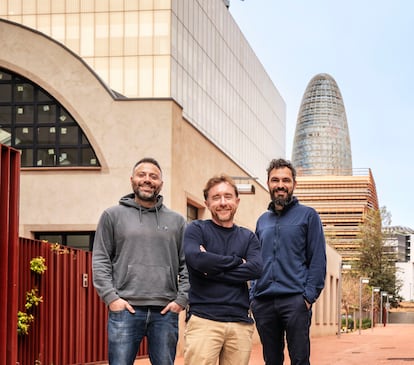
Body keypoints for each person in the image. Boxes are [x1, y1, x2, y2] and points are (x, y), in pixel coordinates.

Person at [92, 157, 189, 365]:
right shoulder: (112, 216)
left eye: (153, 176)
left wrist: (181, 300)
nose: (147, 180)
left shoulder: (177, 221)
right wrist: (111, 298)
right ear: (132, 180)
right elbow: (100, 259)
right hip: (125, 310)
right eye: (142, 175)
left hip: (165, 312)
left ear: (160, 183)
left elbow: (187, 264)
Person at [251, 158, 326, 365]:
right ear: (268, 183)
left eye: (286, 180)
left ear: (294, 184)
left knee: (300, 360)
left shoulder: (308, 216)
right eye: (275, 180)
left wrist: (308, 296)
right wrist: (253, 295)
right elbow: (256, 260)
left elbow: (318, 259)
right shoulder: (262, 221)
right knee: (271, 361)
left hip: (295, 301)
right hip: (264, 302)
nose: (280, 185)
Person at [183, 174, 263, 365]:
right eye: (216, 197)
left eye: (227, 196)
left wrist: (211, 269)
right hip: (204, 321)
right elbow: (197, 260)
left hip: (240, 324)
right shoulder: (196, 229)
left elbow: (256, 269)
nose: (222, 202)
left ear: (237, 200)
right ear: (207, 203)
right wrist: (238, 261)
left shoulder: (248, 237)